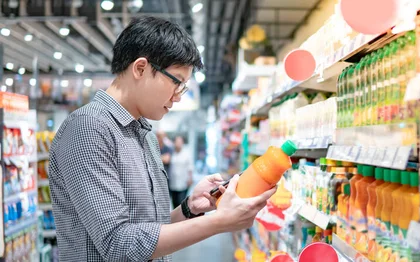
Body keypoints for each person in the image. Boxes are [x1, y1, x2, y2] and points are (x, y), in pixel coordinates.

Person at [48, 16, 276, 262]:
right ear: (140, 68)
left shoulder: (144, 134)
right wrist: (220, 222)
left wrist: (189, 208)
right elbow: (118, 244)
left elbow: (148, 229)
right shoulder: (88, 128)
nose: (178, 96)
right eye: (177, 81)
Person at [168, 136, 193, 208]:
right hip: (173, 183)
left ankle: (181, 218)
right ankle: (176, 218)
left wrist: (190, 178)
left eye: (180, 142)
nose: (178, 144)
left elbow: (190, 167)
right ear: (174, 143)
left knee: (181, 203)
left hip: (183, 183)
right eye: (177, 142)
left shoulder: (186, 154)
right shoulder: (172, 154)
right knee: (174, 203)